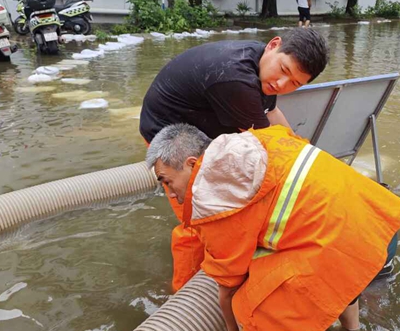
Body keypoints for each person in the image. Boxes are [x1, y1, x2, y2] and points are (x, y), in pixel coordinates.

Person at [146, 123, 400, 331]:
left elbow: (228, 284)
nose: (169, 192)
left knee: (248, 306)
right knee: (344, 269)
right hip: (377, 224)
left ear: (192, 163)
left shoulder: (213, 197)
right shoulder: (259, 139)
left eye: (167, 181)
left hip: (339, 245)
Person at [139, 29, 329, 291]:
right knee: (198, 220)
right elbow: (268, 145)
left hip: (201, 128)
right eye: (283, 70)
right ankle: (184, 294)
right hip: (172, 139)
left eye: (294, 83)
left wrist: (306, 152)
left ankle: (217, 273)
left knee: (228, 208)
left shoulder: (263, 65)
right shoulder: (235, 78)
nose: (282, 84)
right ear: (274, 45)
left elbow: (272, 113)